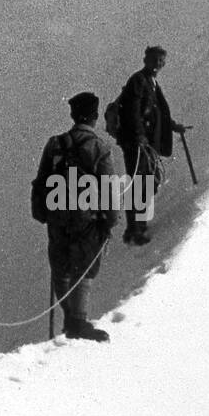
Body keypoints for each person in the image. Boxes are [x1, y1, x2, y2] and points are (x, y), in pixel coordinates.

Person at [31, 92, 119, 342]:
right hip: (87, 219)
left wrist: (42, 213)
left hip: (57, 216)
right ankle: (77, 321)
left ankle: (71, 320)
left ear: (73, 115)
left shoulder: (55, 144)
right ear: (94, 117)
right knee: (85, 268)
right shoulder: (100, 147)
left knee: (61, 268)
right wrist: (110, 220)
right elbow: (109, 188)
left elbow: (40, 182)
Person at [114, 45, 189, 245]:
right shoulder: (138, 81)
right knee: (139, 183)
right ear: (146, 60)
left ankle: (138, 225)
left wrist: (173, 126)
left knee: (147, 182)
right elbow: (132, 111)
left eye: (161, 61)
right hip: (137, 145)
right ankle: (134, 230)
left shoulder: (151, 82)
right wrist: (139, 137)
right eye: (155, 60)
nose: (158, 64)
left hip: (146, 144)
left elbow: (159, 113)